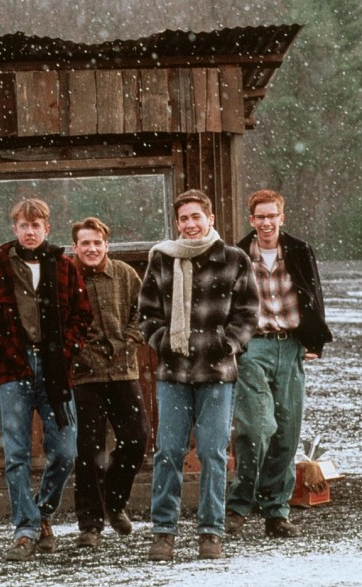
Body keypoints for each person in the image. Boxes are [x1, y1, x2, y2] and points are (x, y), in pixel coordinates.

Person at [0, 198, 92, 562]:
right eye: (23, 225)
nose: (30, 231)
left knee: (66, 451)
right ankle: (25, 529)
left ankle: (42, 513)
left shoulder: (63, 265)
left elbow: (83, 315)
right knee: (16, 454)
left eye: (36, 225)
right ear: (15, 228)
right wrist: (3, 347)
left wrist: (66, 349)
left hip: (56, 371)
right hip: (14, 369)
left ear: (47, 228)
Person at [138, 189, 259, 561]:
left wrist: (227, 343)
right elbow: (146, 313)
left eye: (196, 217)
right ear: (177, 224)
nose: (190, 224)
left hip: (218, 372)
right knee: (168, 452)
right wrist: (164, 340)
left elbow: (248, 312)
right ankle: (164, 532)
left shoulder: (233, 259)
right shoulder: (162, 259)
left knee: (213, 452)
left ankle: (210, 532)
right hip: (173, 373)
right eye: (183, 219)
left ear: (210, 219)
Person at [226, 189, 333, 538]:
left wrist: (314, 340)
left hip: (290, 348)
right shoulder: (238, 254)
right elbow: (227, 302)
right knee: (257, 428)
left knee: (287, 432)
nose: (267, 222)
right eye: (261, 216)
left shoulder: (299, 251)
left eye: (273, 215)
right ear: (252, 219)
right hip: (253, 347)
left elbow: (313, 293)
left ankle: (276, 510)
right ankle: (240, 505)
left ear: (281, 217)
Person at [71, 217, 150, 548]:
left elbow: (144, 313)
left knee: (136, 438)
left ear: (107, 245)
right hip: (84, 375)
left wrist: (130, 340)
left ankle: (114, 501)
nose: (92, 249)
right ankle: (90, 523)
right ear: (75, 247)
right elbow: (60, 323)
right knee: (89, 448)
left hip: (122, 371)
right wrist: (81, 351)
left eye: (97, 243)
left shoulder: (124, 274)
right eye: (85, 243)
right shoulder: (66, 277)